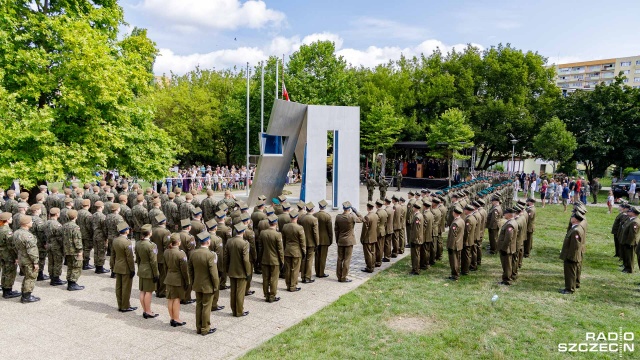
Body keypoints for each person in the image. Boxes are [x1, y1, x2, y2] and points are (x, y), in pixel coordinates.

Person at [189, 232, 219, 336]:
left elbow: (190, 271)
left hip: (197, 283)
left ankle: (198, 327)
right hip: (207, 285)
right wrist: (216, 286)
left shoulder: (193, 253)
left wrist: (192, 282)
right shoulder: (210, 255)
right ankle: (205, 328)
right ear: (208, 242)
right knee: (206, 307)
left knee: (199, 305)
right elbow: (214, 274)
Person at [225, 223, 252, 317]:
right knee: (240, 292)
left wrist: (227, 268)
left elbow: (226, 257)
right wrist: (248, 272)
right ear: (243, 232)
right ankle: (239, 311)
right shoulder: (244, 243)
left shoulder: (229, 241)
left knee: (233, 291)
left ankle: (234, 309)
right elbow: (245, 260)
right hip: (241, 271)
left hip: (232, 270)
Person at [13, 216, 40, 303]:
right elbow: (32, 250)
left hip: (21, 258)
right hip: (28, 259)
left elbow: (14, 247)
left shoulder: (16, 232)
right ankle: (26, 297)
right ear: (26, 224)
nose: (32, 222)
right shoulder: (27, 235)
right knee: (31, 277)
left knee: (27, 276)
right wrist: (35, 262)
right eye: (30, 221)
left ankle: (24, 294)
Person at [334, 202, 363, 282]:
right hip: (349, 241)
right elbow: (362, 219)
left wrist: (337, 240)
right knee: (347, 259)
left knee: (340, 259)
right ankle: (344, 277)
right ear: (349, 209)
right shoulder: (352, 217)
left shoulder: (338, 217)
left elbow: (336, 230)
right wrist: (356, 212)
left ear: (343, 208)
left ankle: (339, 276)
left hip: (340, 240)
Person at [111, 222, 137, 312]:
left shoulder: (115, 240)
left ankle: (120, 304)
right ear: (126, 231)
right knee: (126, 288)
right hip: (125, 268)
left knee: (119, 287)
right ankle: (125, 306)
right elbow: (130, 258)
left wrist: (112, 266)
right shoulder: (127, 242)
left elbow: (112, 255)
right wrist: (132, 269)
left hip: (117, 266)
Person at [165, 233, 189, 326]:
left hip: (169, 277)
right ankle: (176, 319)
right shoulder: (181, 253)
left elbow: (165, 267)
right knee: (176, 300)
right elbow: (184, 270)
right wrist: (187, 281)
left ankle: (172, 318)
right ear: (178, 242)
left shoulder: (166, 252)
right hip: (177, 280)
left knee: (170, 299)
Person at [136, 224, 159, 319]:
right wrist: (156, 273)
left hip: (141, 268)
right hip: (149, 270)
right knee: (148, 292)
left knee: (142, 291)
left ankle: (145, 310)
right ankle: (148, 311)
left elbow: (137, 259)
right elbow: (153, 261)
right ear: (150, 233)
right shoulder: (151, 245)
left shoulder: (138, 243)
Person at [559, 213, 585, 294]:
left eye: (573, 217)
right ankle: (570, 287)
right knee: (571, 272)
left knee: (570, 273)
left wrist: (570, 256)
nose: (571, 218)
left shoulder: (576, 230)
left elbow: (575, 246)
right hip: (571, 254)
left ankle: (569, 289)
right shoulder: (576, 228)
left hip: (571, 256)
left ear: (576, 220)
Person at [260, 214, 283, 302]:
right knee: (274, 279)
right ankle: (272, 296)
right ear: (276, 223)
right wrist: (282, 261)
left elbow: (261, 247)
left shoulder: (263, 233)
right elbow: (280, 250)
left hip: (265, 259)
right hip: (275, 260)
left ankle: (266, 294)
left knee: (265, 278)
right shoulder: (278, 235)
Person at [282, 210, 305, 291]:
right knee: (295, 269)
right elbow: (302, 242)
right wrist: (304, 251)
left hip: (287, 250)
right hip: (296, 251)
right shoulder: (299, 228)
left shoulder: (285, 226)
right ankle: (293, 286)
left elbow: (284, 240)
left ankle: (288, 284)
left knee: (288, 269)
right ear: (297, 218)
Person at [62, 210, 84, 291]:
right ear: (76, 217)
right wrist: (80, 251)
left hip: (67, 250)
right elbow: (77, 240)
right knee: (77, 266)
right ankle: (72, 283)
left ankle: (70, 281)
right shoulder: (75, 227)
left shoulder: (64, 225)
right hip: (74, 250)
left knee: (70, 266)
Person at [0, 213, 21, 299]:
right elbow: (11, 246)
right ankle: (8, 291)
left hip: (1, 253)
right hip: (8, 254)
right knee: (10, 272)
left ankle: (5, 288)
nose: (11, 219)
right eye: (10, 218)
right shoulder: (7, 230)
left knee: (4, 271)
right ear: (7, 220)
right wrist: (16, 256)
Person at [299, 202, 318, 283]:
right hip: (311, 243)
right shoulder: (314, 219)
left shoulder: (302, 218)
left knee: (303, 259)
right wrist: (317, 243)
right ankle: (307, 277)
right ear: (312, 209)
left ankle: (303, 276)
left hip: (303, 242)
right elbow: (315, 233)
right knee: (309, 260)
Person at [497, 208, 517, 285]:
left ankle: (507, 280)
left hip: (506, 248)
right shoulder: (512, 222)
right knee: (508, 264)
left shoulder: (510, 224)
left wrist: (504, 248)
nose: (504, 215)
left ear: (509, 214)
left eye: (505, 214)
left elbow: (508, 238)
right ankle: (508, 277)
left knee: (506, 265)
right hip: (509, 247)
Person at [314, 200, 333, 278]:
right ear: (325, 207)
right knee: (323, 257)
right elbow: (330, 230)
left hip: (316, 238)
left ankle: (317, 271)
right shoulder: (327, 216)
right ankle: (321, 272)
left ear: (319, 206)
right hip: (325, 239)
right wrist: (330, 240)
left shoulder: (314, 215)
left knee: (317, 256)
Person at [447, 206, 464, 281]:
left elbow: (453, 236)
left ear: (454, 213)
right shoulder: (461, 220)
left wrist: (450, 246)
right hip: (459, 243)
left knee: (454, 261)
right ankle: (456, 273)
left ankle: (455, 275)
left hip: (454, 245)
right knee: (457, 260)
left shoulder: (455, 223)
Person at [620, 206, 640, 273]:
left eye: (630, 211)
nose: (628, 212)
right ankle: (626, 267)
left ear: (634, 213)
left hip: (630, 242)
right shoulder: (630, 219)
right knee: (627, 255)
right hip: (626, 241)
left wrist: (630, 243)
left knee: (630, 256)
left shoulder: (635, 222)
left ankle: (630, 269)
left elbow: (633, 234)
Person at [360, 201, 378, 273]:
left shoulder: (367, 217)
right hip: (374, 237)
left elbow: (364, 230)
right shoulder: (375, 215)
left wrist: (362, 238)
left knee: (368, 254)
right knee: (373, 252)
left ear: (367, 208)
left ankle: (369, 267)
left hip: (368, 238)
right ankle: (372, 265)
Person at [408, 201, 424, 275]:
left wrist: (414, 239)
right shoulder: (419, 215)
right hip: (417, 238)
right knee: (415, 254)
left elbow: (416, 230)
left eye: (413, 207)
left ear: (415, 208)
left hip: (416, 239)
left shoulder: (417, 217)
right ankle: (415, 268)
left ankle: (416, 269)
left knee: (415, 255)